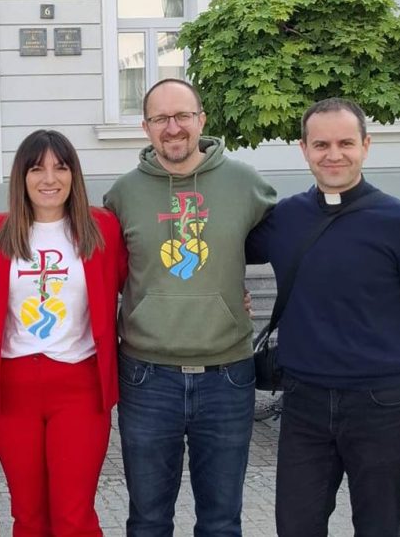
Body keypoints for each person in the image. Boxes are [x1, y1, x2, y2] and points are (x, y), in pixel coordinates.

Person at [245, 98, 400, 536]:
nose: (334, 154)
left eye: (345, 143)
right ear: (303, 149)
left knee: (378, 527)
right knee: (295, 527)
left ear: (366, 145)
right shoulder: (284, 218)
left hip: (380, 403)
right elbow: (221, 247)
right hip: (303, 401)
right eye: (321, 144)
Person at [103, 78, 276, 536]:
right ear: (145, 127)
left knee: (221, 522)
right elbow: (105, 273)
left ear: (202, 119)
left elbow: (292, 242)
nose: (173, 127)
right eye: (160, 118)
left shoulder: (246, 185)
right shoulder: (122, 195)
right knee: (147, 521)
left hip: (227, 376)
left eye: (182, 115)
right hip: (146, 377)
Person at [0, 130, 127, 536]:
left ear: (73, 175)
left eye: (60, 167)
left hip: (81, 387)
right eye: (36, 169)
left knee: (74, 516)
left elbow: (139, 283)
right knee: (28, 515)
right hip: (12, 389)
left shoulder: (103, 228)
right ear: (21, 176)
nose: (49, 178)